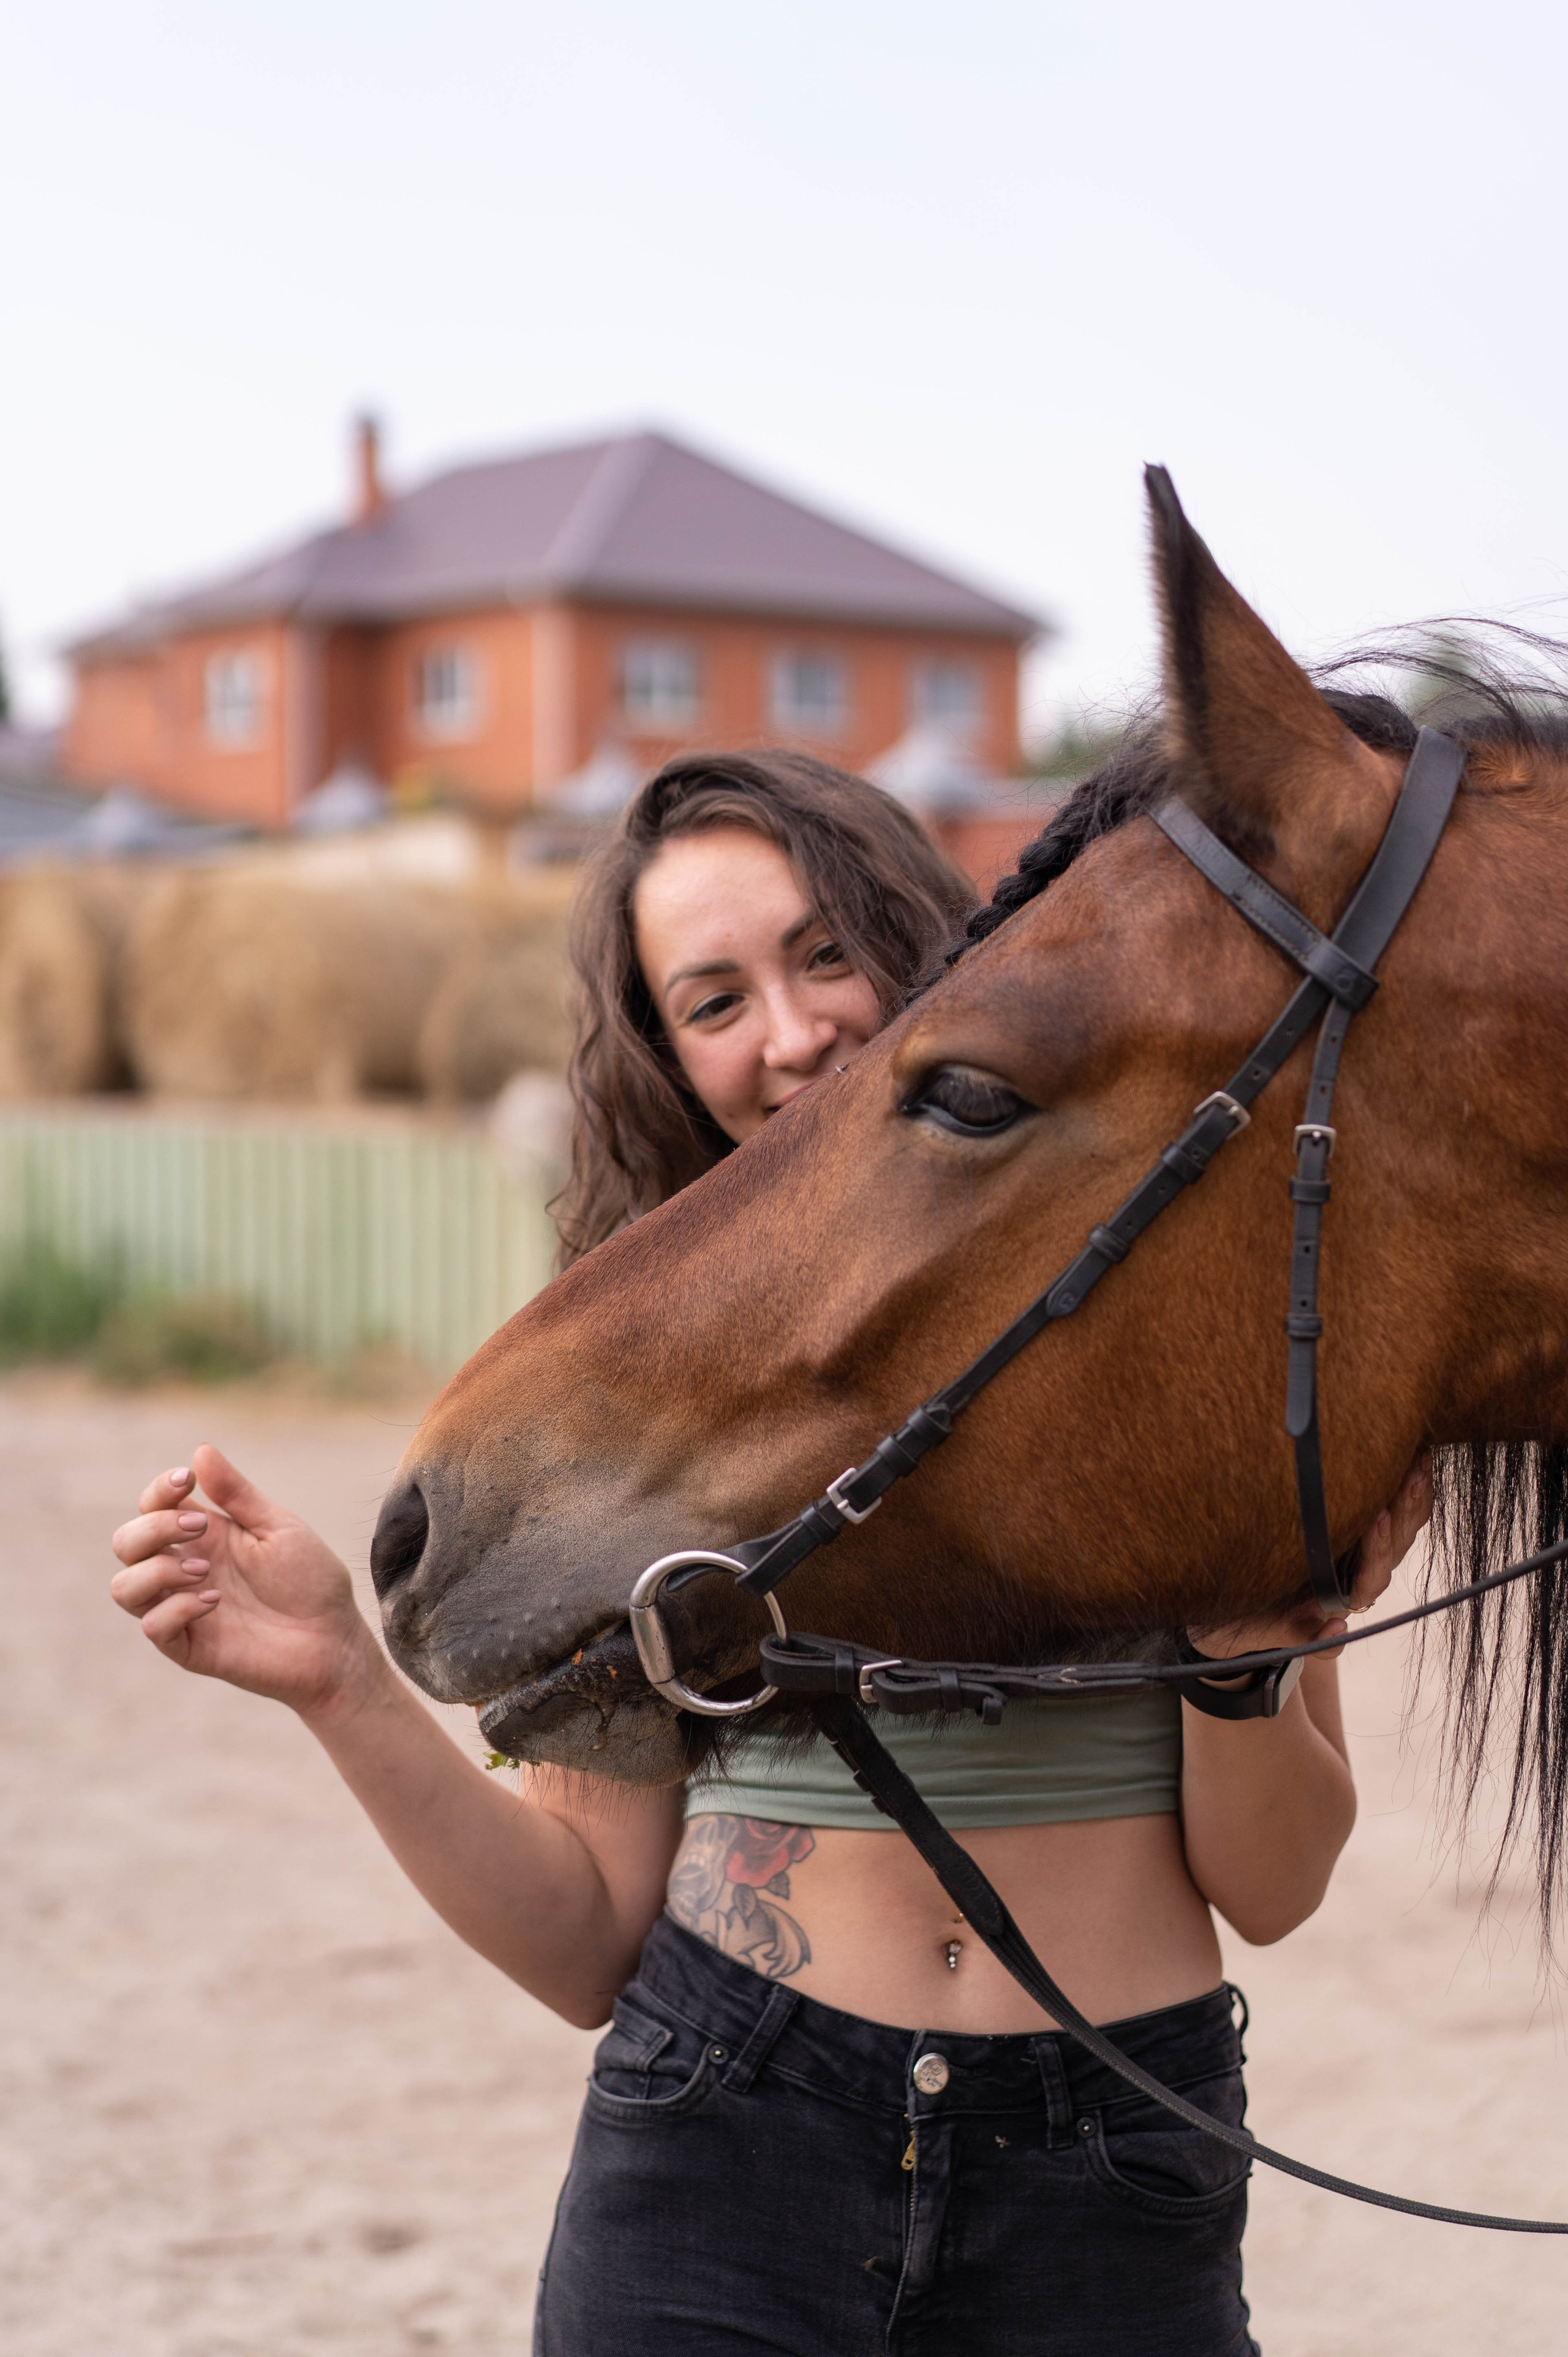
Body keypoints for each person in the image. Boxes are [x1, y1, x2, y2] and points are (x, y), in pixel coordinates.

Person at [110, 747, 1430, 2356]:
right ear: (666, 1055)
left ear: (932, 936)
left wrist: (1242, 1654)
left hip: (1112, 2159)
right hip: (726, 2143)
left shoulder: (1158, 1304)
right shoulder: (647, 1397)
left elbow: (1273, 1885)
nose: (793, 1035)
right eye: (714, 999)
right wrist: (336, 1680)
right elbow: (591, 1928)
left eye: (823, 953)